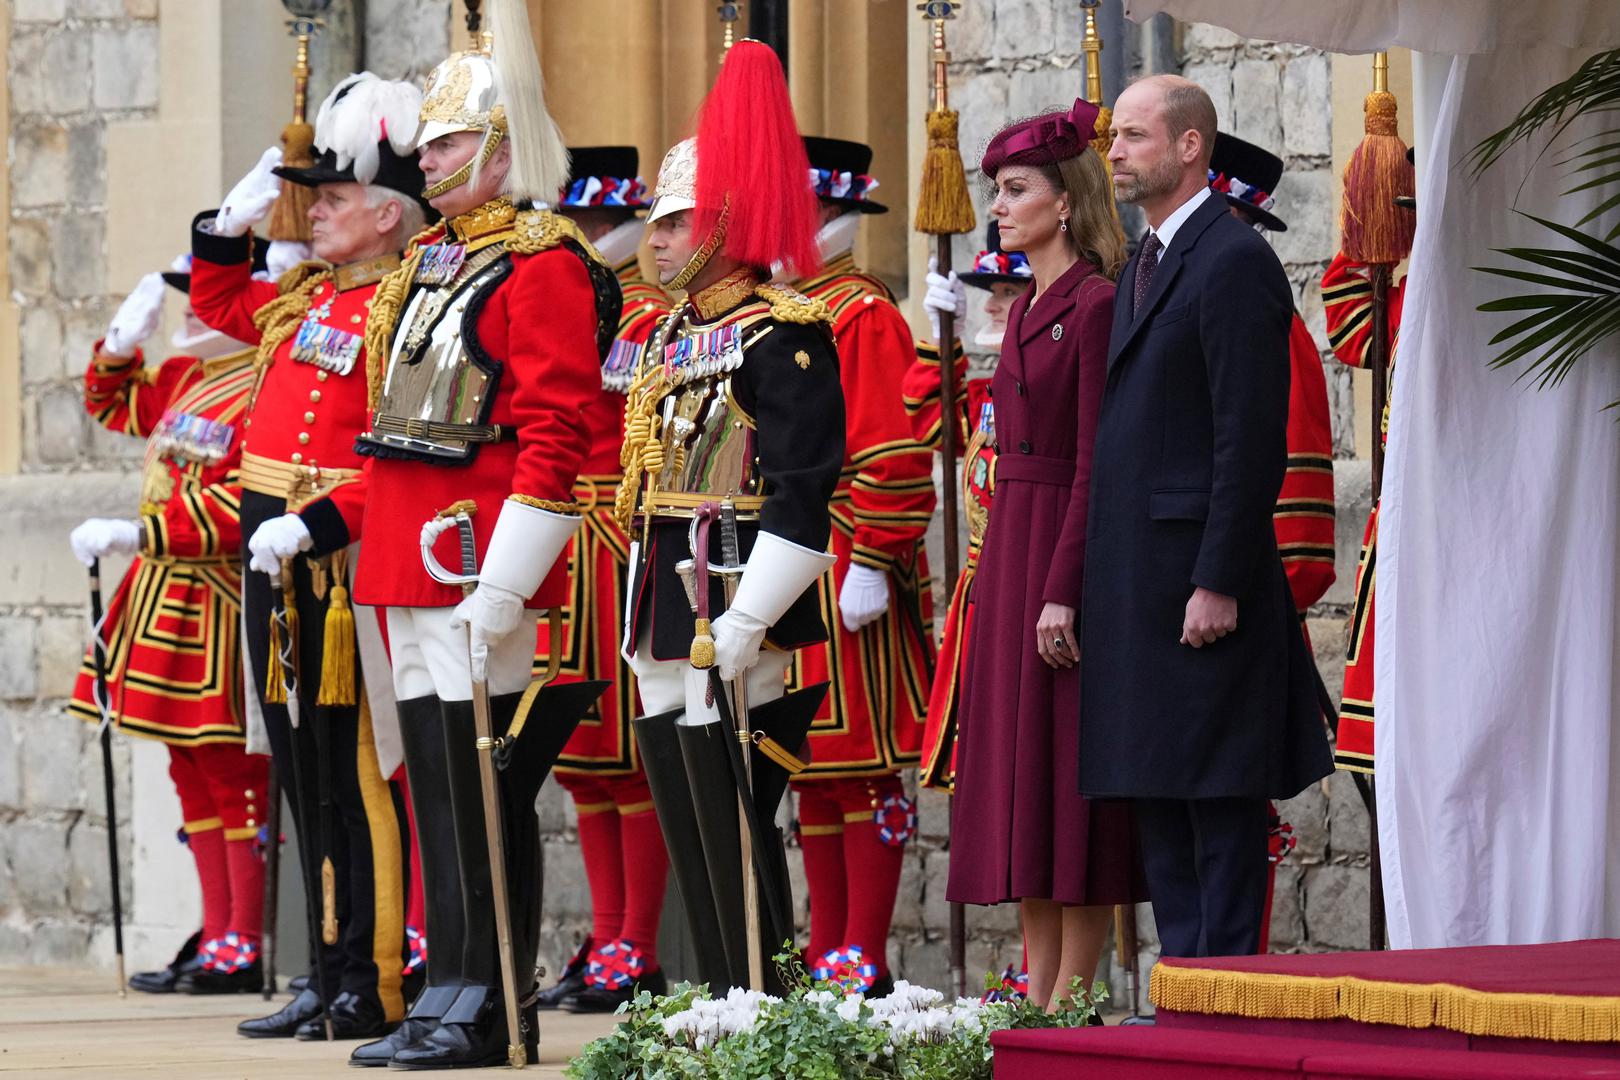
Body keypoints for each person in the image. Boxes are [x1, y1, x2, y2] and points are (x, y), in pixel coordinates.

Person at [254, 9, 621, 1065]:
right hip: (402, 555)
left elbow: (557, 432)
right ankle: (448, 983)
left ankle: (491, 996)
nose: (430, 158)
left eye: (451, 143)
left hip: (473, 551)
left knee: (482, 786)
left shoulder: (542, 263)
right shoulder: (424, 266)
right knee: (436, 789)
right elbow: (387, 431)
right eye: (431, 145)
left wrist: (507, 581)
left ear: (503, 147)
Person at [189, 73, 427, 1040]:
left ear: (383, 214)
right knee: (301, 772)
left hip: (340, 567)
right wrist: (226, 223)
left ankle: (373, 976)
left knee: (362, 776)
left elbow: (402, 452)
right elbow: (217, 303)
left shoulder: (404, 307)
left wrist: (324, 524)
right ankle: (323, 973)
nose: (312, 214)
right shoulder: (300, 303)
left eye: (330, 200)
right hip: (272, 562)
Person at [1080, 75, 1333, 958]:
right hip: (1139, 584)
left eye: (1136, 136)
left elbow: (1248, 438)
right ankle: (1184, 991)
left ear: (1191, 147)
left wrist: (1219, 579)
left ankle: (1226, 1007)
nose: (1114, 152)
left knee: (1218, 803)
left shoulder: (1231, 260)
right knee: (1160, 790)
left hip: (1198, 583)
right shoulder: (1144, 260)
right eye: (1115, 137)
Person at [618, 41, 845, 995]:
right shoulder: (674, 333)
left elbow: (803, 491)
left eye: (674, 224)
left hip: (735, 587)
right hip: (667, 590)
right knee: (682, 800)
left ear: (720, 225)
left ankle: (764, 995)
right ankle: (716, 991)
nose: (656, 241)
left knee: (738, 806)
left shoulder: (781, 335)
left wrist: (752, 616)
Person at [944, 99, 1144, 1012]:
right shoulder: (1024, 309)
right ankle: (1034, 987)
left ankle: (1075, 993)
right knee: (1021, 780)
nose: (997, 205)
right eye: (995, 190)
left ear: (1066, 201)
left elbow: (1097, 465)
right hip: (1009, 552)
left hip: (1062, 559)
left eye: (1014, 189)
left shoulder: (1096, 305)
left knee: (1068, 788)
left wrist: (1062, 591)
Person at [66, 262, 265, 996]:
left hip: (219, 595)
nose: (191, 308)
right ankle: (216, 932)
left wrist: (143, 531)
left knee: (232, 774)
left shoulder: (258, 380)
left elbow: (244, 502)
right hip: (166, 597)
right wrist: (120, 344)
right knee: (188, 769)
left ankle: (245, 937)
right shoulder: (188, 375)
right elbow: (112, 404)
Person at [785, 135, 936, 996]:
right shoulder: (792, 307)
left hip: (846, 558)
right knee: (810, 767)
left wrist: (874, 555)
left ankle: (863, 951)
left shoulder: (860, 312)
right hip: (794, 561)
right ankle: (825, 948)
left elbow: (891, 448)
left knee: (862, 763)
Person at [536, 146, 673, 1014]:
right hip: (567, 540)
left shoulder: (653, 316)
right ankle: (607, 931)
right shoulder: (584, 308)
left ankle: (640, 946)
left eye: (594, 225)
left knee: (634, 756)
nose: (584, 239)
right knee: (586, 761)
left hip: (625, 542)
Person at [1206, 132, 1338, 948]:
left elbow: (1289, 493)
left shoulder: (1268, 319)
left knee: (1232, 801)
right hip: (1185, 589)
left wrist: (1254, 593)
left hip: (1243, 598)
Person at [903, 222, 1030, 795]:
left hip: (1032, 588)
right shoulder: (987, 393)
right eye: (994, 294)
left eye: (1011, 293)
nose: (996, 306)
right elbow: (934, 424)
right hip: (983, 589)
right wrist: (938, 340)